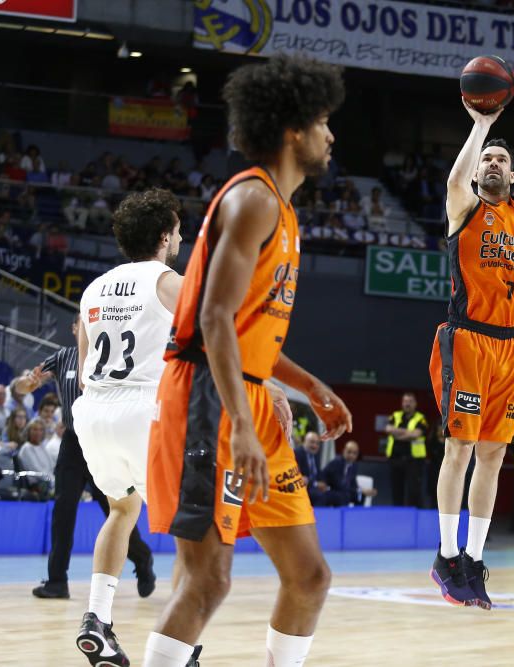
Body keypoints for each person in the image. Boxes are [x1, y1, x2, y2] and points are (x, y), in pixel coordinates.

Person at [144, 55, 351, 667]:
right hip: (208, 398)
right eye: (321, 122)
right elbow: (212, 321)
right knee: (206, 580)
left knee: (309, 575)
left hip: (250, 396)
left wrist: (311, 386)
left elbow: (247, 333)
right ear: (292, 131)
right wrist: (242, 428)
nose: (330, 135)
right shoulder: (253, 200)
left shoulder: (284, 212)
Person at [430, 60, 514, 611]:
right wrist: (479, 124)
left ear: (512, 176)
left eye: (501, 160)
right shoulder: (464, 207)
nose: (492, 164)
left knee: (492, 455)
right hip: (468, 338)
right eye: (487, 158)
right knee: (459, 448)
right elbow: (455, 179)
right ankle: (445, 555)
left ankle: (474, 560)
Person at [69, 189, 185, 666]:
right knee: (190, 528)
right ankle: (184, 645)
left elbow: (80, 366)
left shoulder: (93, 289)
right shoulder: (169, 281)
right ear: (164, 236)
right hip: (143, 408)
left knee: (121, 510)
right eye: (177, 230)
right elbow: (217, 333)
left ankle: (97, 618)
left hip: (93, 410)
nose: (180, 237)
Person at [22, 316, 154, 601]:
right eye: (81, 324)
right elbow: (25, 384)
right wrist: (26, 382)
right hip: (72, 441)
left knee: (115, 513)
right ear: (74, 329)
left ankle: (143, 561)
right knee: (63, 511)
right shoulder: (63, 357)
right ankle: (57, 581)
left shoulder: (115, 355)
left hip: (102, 439)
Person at [383, 392, 427, 507]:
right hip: (395, 459)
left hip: (414, 461)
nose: (407, 404)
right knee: (396, 489)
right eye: (405, 401)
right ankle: (398, 514)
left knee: (414, 490)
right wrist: (408, 433)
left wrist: (397, 433)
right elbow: (388, 429)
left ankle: (414, 514)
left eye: (410, 401)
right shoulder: (395, 415)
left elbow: (416, 434)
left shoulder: (420, 418)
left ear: (415, 404)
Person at [314, 440, 376, 506]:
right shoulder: (337, 462)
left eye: (354, 453)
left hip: (344, 491)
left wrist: (361, 491)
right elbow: (339, 484)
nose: (351, 455)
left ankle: (357, 514)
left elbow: (353, 483)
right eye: (349, 452)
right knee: (343, 496)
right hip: (331, 490)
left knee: (360, 496)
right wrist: (360, 490)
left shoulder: (354, 465)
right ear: (343, 451)